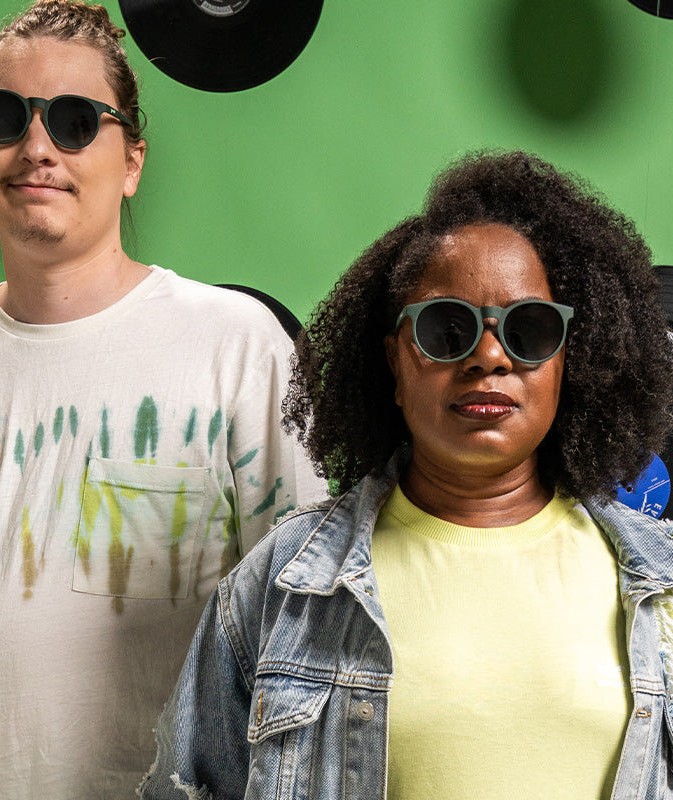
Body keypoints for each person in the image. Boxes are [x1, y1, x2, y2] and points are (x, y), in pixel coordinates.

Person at [0, 1, 324, 798]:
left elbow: (305, 634)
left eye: (77, 120)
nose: (38, 146)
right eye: (6, 116)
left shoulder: (240, 350)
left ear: (133, 161)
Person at [139, 151, 673, 800]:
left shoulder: (659, 588)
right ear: (394, 360)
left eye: (529, 328)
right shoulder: (283, 583)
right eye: (446, 328)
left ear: (570, 360)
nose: (489, 355)